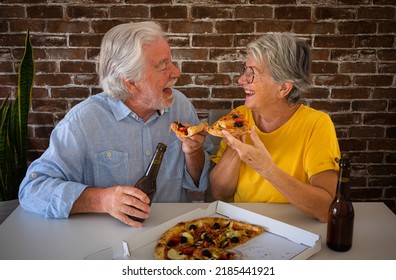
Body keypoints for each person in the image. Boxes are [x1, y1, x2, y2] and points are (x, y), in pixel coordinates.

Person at [19, 21, 213, 227]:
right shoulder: (82, 122)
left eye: (171, 62)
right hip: (109, 243)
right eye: (163, 66)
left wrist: (193, 153)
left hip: (176, 235)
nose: (176, 72)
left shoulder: (180, 106)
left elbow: (201, 181)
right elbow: (32, 189)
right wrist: (102, 200)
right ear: (129, 82)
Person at [209, 32, 340, 222]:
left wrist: (267, 168)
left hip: (296, 229)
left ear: (283, 88)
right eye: (244, 70)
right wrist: (234, 147)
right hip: (242, 226)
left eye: (252, 73)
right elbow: (218, 192)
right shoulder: (239, 117)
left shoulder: (317, 124)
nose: (241, 80)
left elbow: (327, 209)